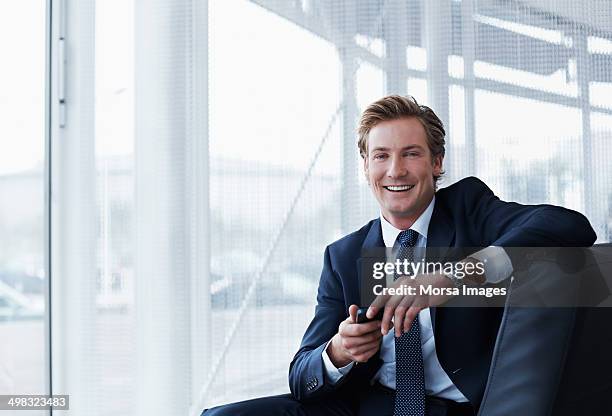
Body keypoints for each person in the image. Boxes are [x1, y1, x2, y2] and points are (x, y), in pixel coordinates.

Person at [203, 95, 596, 416]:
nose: (396, 170)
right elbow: (302, 373)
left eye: (411, 154)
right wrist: (339, 352)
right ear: (366, 166)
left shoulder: (469, 210)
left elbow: (568, 224)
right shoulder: (344, 255)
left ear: (436, 162)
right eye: (381, 156)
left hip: (458, 408)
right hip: (370, 406)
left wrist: (454, 277)